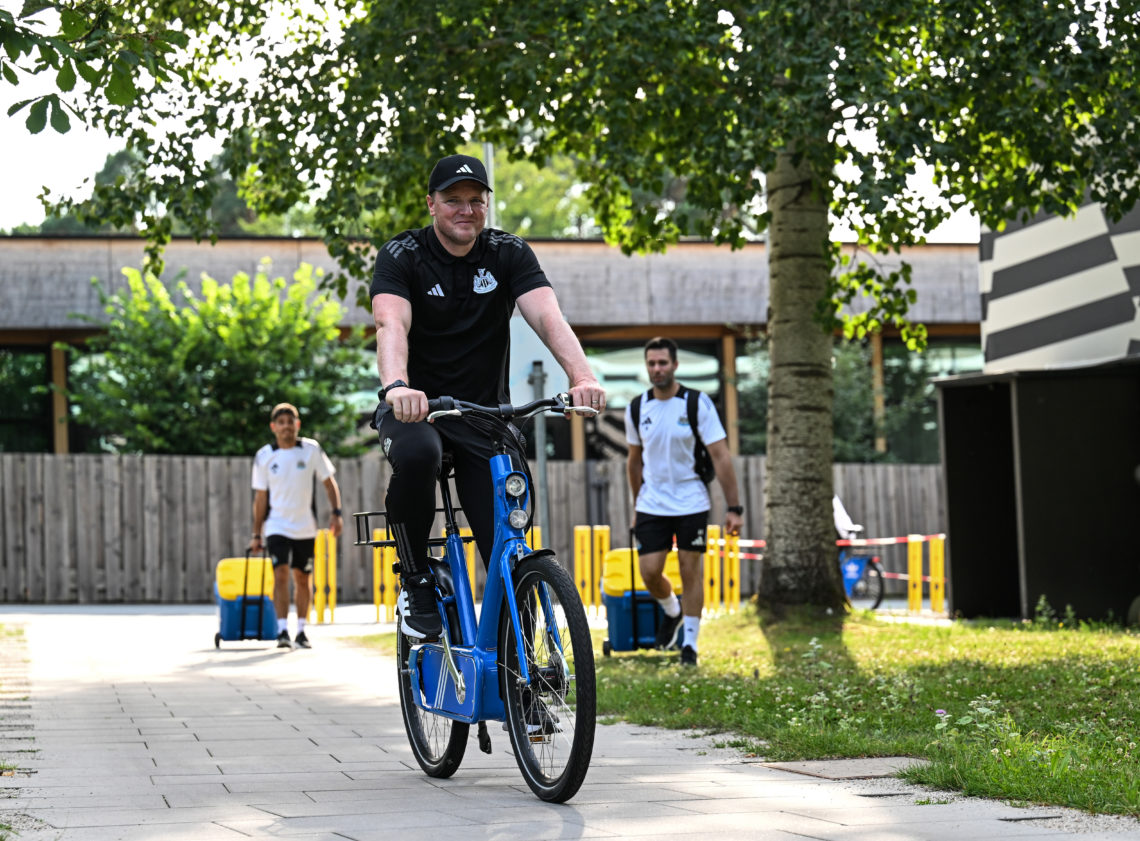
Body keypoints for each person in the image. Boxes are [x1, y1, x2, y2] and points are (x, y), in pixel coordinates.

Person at [370, 152, 605, 641]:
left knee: (510, 545)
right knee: (417, 457)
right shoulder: (402, 255)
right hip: (418, 411)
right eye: (453, 200)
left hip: (486, 417)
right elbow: (391, 323)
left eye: (476, 201)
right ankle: (415, 577)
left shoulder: (508, 252)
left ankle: (525, 679)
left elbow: (547, 317)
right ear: (431, 205)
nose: (466, 209)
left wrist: (582, 375)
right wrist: (397, 386)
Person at [625, 337, 743, 667]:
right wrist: (636, 506)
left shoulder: (696, 403)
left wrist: (734, 508)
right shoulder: (637, 408)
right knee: (649, 572)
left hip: (692, 500)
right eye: (651, 363)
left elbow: (720, 456)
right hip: (652, 503)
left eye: (662, 363)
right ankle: (672, 611)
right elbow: (634, 462)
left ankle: (689, 645)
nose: (657, 369)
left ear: (675, 365)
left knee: (690, 571)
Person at [249, 403, 343, 650]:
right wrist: (256, 534)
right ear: (273, 427)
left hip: (305, 526)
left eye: (290, 421)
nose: (286, 426)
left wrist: (336, 514)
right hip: (276, 525)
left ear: (297, 424)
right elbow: (260, 498)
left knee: (302, 577)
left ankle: (301, 631)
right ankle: (282, 630)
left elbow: (328, 482)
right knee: (280, 574)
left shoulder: (310, 449)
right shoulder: (264, 456)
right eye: (281, 422)